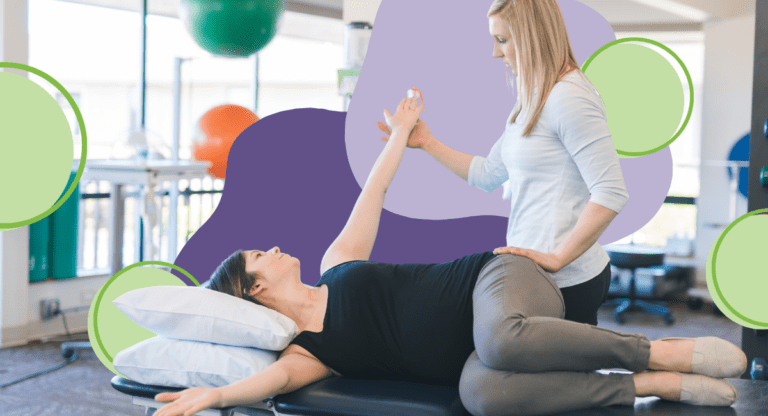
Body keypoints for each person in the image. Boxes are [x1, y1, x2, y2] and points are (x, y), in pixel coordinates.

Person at [153, 97, 746, 416]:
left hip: (497, 278)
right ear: (253, 289)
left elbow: (373, 193)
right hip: (478, 357)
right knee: (484, 395)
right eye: (263, 255)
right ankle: (650, 384)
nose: (278, 249)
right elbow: (269, 381)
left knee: (500, 340)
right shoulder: (311, 353)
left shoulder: (337, 264)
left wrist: (403, 134)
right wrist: (213, 394)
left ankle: (664, 350)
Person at [377, 0, 626, 326]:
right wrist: (427, 143)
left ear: (532, 35)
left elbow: (610, 192)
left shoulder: (570, 97)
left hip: (567, 280)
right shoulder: (534, 96)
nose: (496, 52)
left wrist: (557, 258)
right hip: (532, 272)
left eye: (503, 40)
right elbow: (487, 174)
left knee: (550, 375)